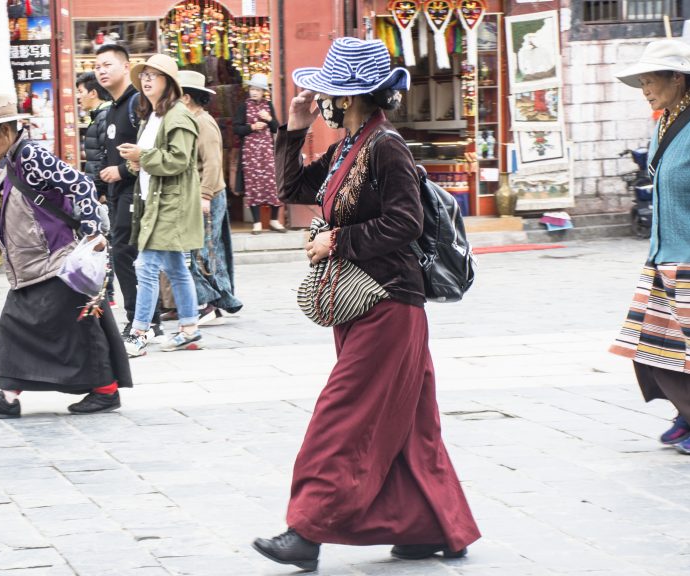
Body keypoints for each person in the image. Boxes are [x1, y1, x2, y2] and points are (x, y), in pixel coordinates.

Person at [253, 38, 480, 571]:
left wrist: (337, 242)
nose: (324, 101)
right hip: (362, 306)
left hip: (389, 305)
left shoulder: (386, 147)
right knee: (410, 422)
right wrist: (294, 126)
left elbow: (407, 223)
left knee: (341, 416)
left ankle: (305, 532)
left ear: (350, 97)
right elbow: (292, 189)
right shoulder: (347, 147)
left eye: (329, 94)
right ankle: (430, 526)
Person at [0, 92, 132, 417]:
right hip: (33, 265)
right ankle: (10, 397)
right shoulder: (9, 163)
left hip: (56, 261)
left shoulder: (31, 156)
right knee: (27, 325)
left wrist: (94, 231)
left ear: (4, 132)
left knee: (72, 326)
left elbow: (81, 185)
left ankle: (99, 392)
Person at [610, 39, 690, 456]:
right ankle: (688, 414)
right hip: (663, 252)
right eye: (642, 82)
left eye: (651, 80)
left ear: (678, 77)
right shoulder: (666, 120)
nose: (645, 89)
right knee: (659, 342)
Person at [116, 54, 203, 358]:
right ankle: (190, 330)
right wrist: (139, 161)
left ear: (170, 83)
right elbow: (157, 158)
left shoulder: (178, 116)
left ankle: (140, 333)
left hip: (171, 204)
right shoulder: (152, 116)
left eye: (155, 74)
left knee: (146, 266)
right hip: (155, 202)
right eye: (145, 75)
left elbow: (179, 160)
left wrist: (143, 156)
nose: (147, 79)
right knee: (177, 268)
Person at [95, 43, 162, 339]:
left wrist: (121, 171)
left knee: (127, 253)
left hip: (137, 191)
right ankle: (149, 319)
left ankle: (142, 319)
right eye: (97, 67)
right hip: (118, 193)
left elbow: (150, 149)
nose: (101, 71)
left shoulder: (137, 103)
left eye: (107, 64)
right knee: (131, 254)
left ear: (126, 66)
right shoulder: (113, 108)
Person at [178, 70, 242, 321]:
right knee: (205, 248)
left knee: (204, 249)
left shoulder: (202, 122)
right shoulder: (190, 120)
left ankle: (209, 301)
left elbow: (213, 162)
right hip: (199, 194)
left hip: (209, 195)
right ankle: (220, 298)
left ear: (185, 98)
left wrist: (205, 196)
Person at [76, 70, 116, 306]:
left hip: (101, 190)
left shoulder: (103, 118)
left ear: (93, 92)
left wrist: (96, 191)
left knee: (101, 241)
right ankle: (105, 292)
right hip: (98, 188)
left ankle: (106, 293)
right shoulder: (98, 117)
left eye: (81, 92)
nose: (79, 97)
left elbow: (103, 157)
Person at [233, 73, 284, 234]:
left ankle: (274, 220)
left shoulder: (268, 106)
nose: (254, 92)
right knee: (253, 184)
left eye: (257, 90)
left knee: (272, 184)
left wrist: (269, 118)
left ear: (263, 92)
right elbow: (236, 129)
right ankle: (257, 223)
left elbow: (277, 128)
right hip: (250, 153)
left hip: (267, 152)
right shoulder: (243, 107)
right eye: (252, 89)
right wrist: (252, 127)